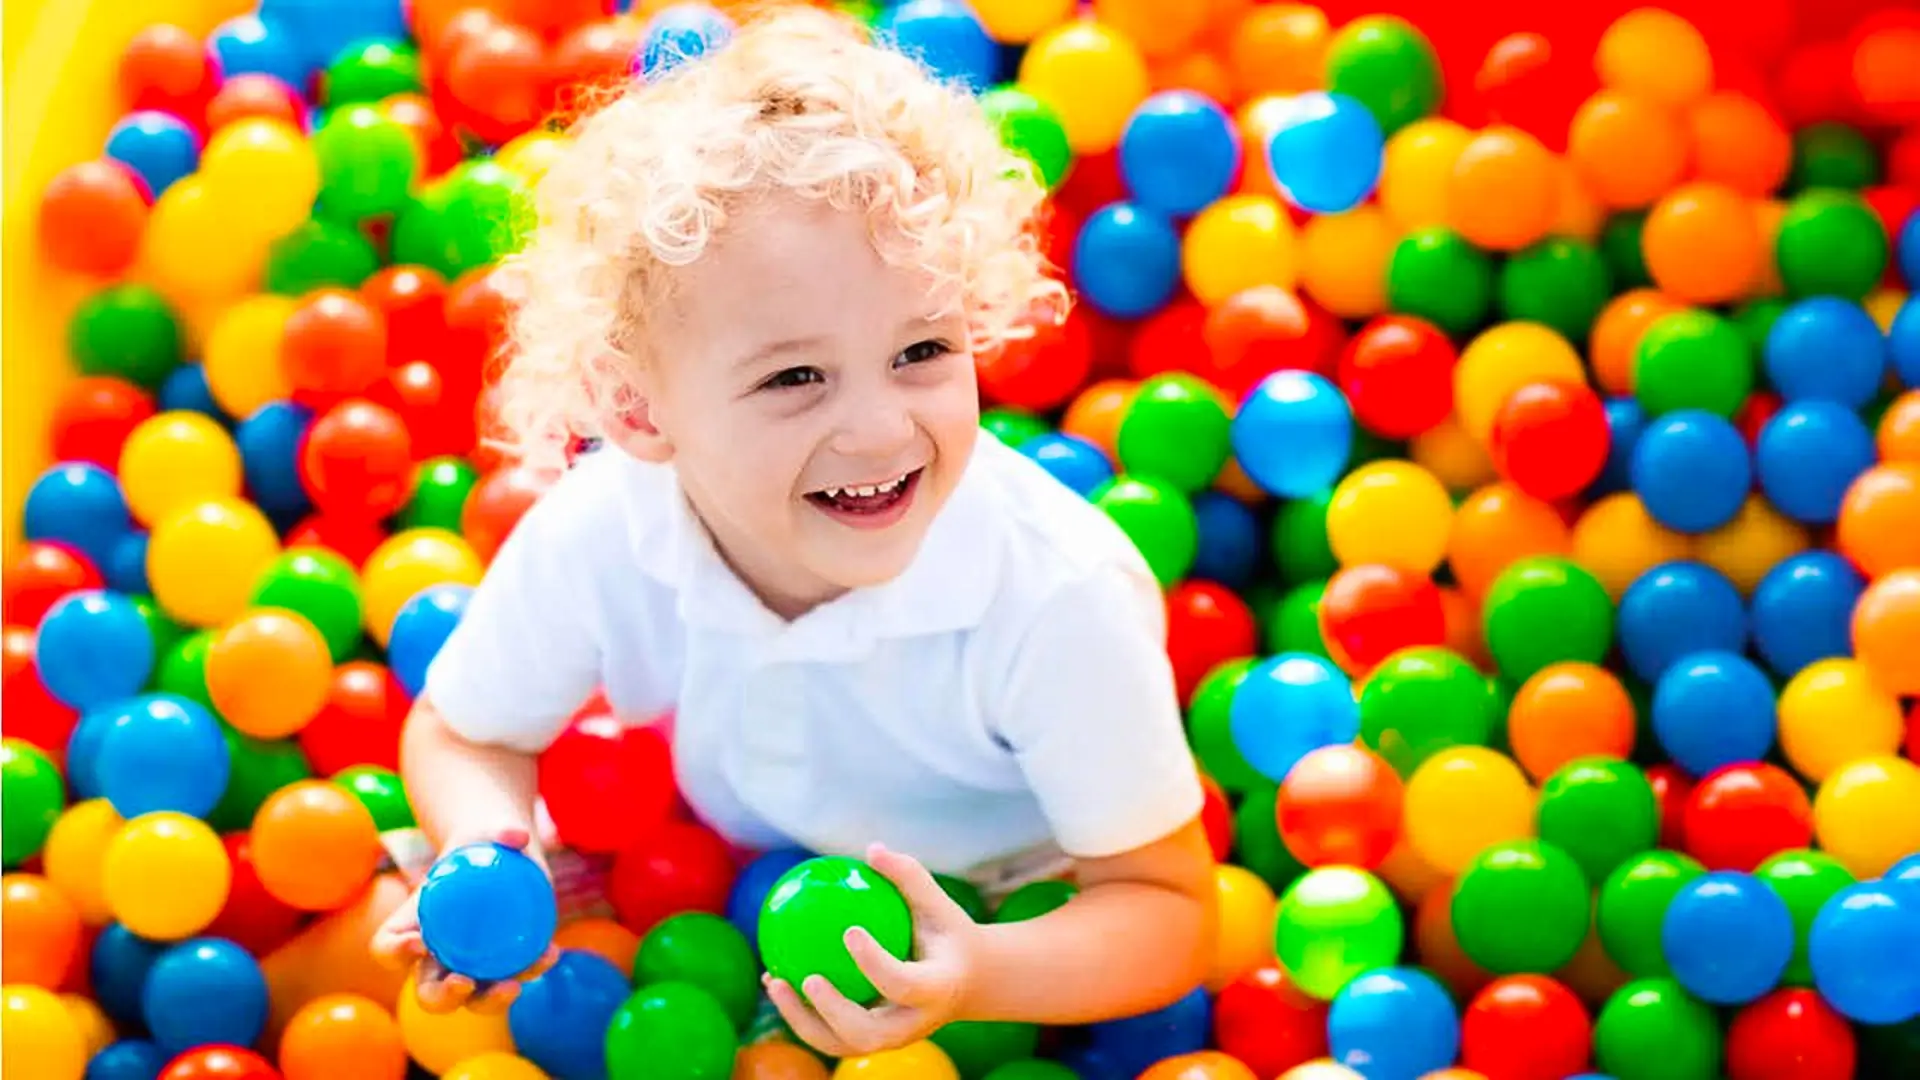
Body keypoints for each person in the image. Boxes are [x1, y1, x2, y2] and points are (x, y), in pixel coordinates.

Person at [371, 3, 1214, 1060]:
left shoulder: (1053, 593)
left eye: (921, 352)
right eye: (795, 378)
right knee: (383, 929)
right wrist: (488, 847)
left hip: (1000, 910)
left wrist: (976, 974)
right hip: (708, 874)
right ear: (639, 413)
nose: (878, 427)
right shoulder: (605, 529)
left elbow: (1170, 908)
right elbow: (467, 732)